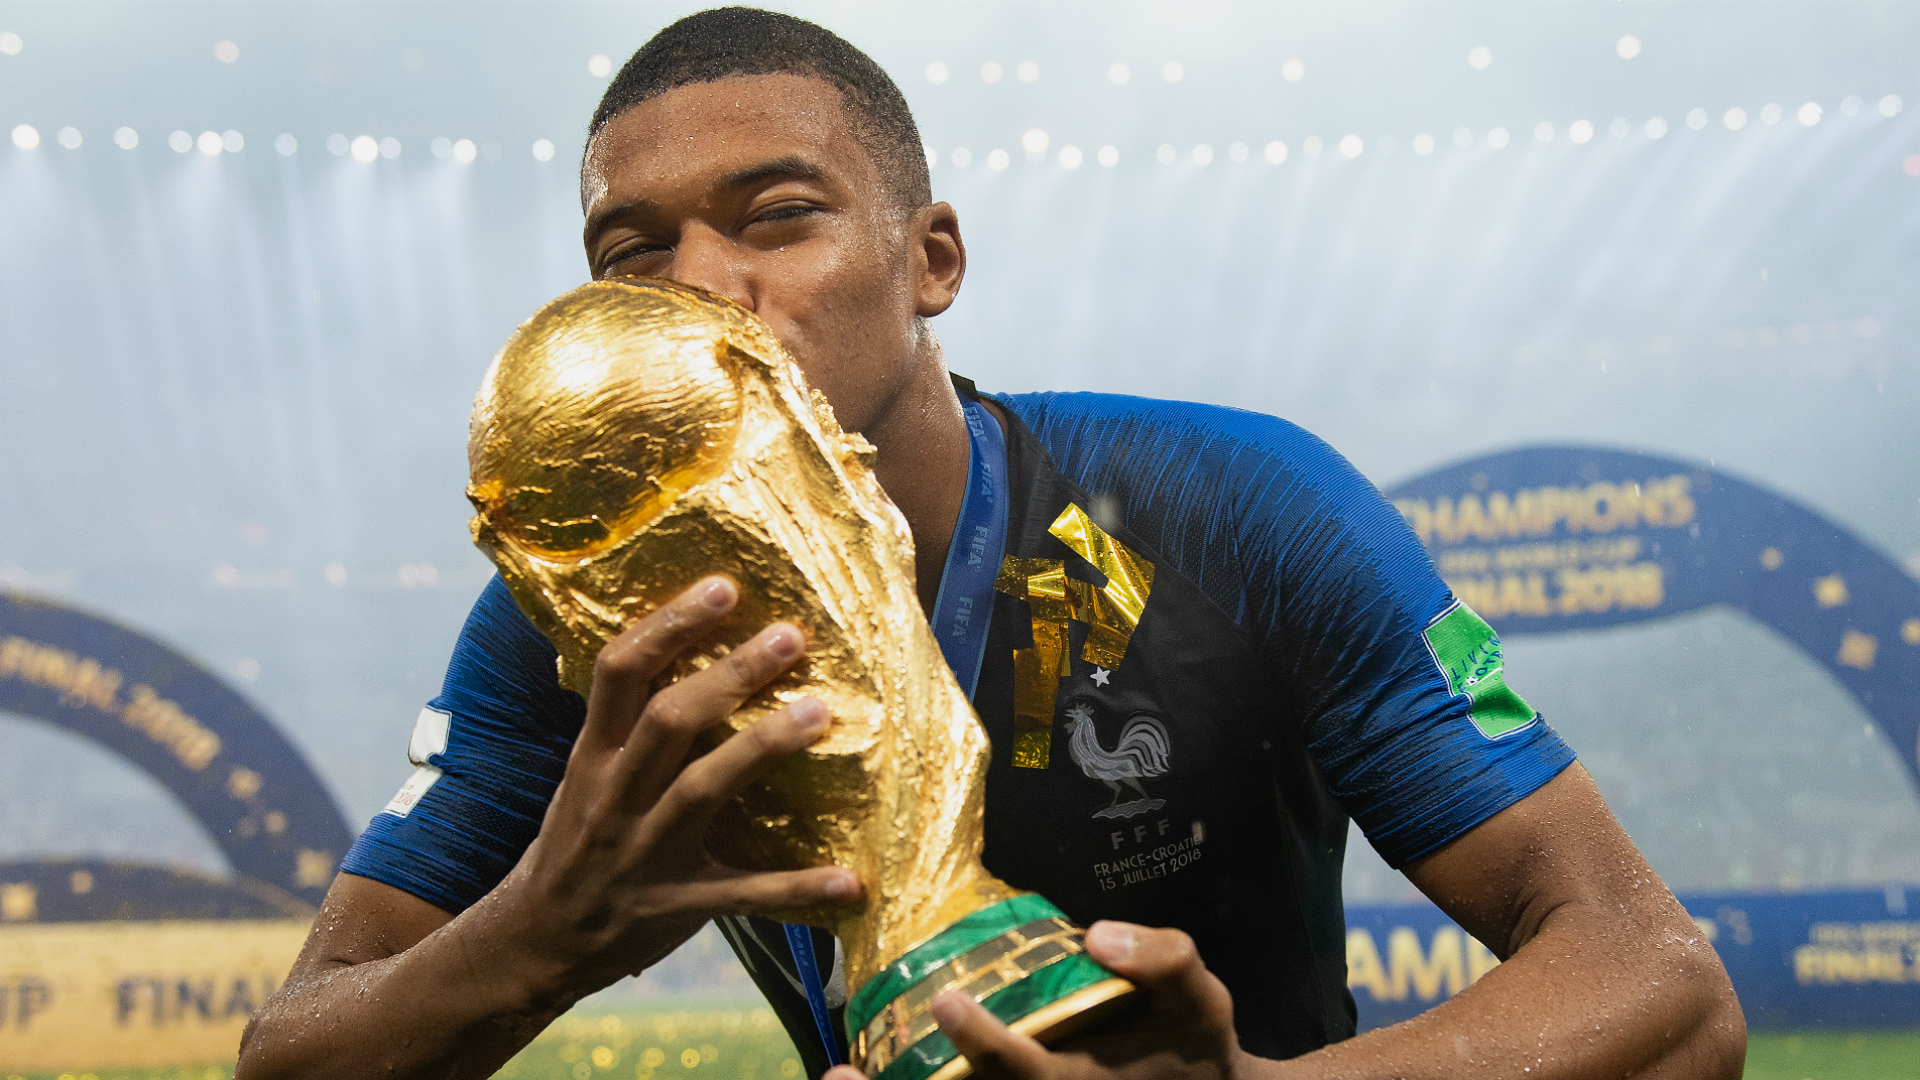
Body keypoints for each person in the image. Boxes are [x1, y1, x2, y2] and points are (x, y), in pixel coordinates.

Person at [235, 9, 1744, 1080]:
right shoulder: (579, 628)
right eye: (633, 253)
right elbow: (293, 1053)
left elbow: (1664, 989)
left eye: (777, 216)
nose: (697, 289)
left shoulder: (1230, 505)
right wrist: (536, 936)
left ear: (932, 259)